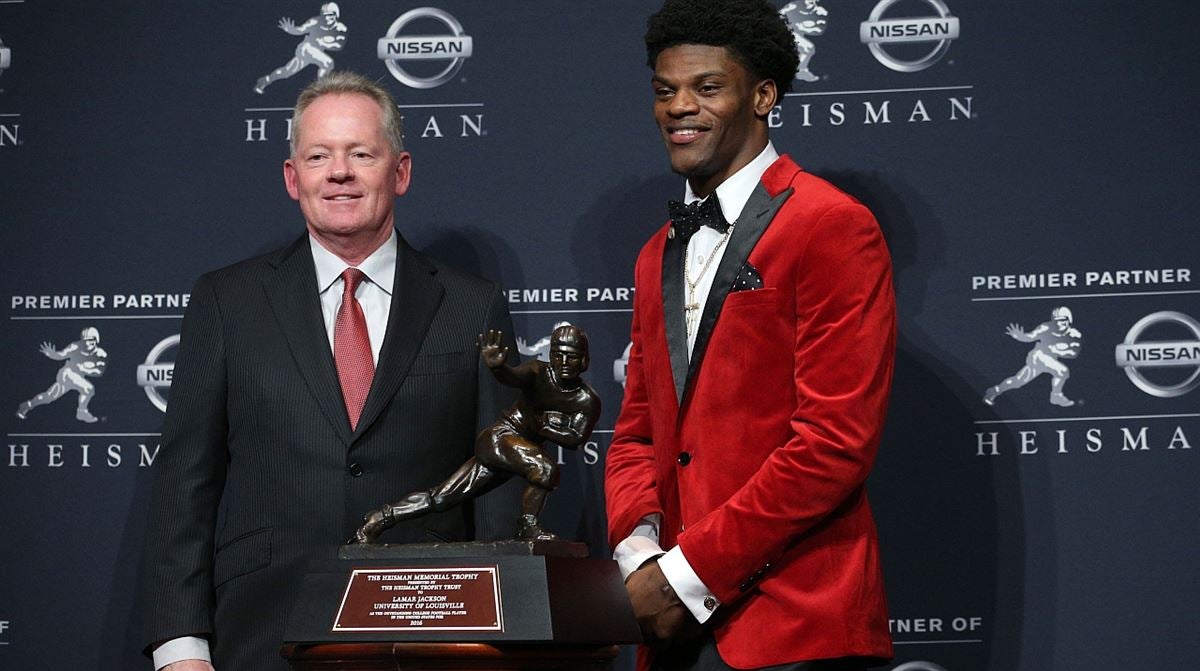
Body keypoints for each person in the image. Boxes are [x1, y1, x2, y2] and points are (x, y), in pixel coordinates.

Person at [135, 71, 520, 671]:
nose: (339, 172)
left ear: (401, 171)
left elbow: (498, 480)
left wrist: (506, 641)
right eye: (318, 156)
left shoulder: (473, 306)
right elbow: (186, 483)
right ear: (294, 178)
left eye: (361, 154)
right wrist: (180, 646)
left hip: (431, 636)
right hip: (262, 632)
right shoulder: (225, 302)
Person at [604, 1, 897, 669]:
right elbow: (637, 432)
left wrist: (684, 575)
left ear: (763, 95)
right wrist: (639, 552)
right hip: (676, 636)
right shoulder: (655, 254)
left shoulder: (830, 225)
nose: (680, 107)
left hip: (799, 625)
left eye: (707, 87)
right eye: (665, 90)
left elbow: (833, 443)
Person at [352, 324, 601, 544]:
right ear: (551, 356)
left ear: (584, 360)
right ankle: (528, 527)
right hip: (500, 438)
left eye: (572, 357)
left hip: (517, 451)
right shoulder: (538, 372)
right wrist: (498, 367)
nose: (565, 363)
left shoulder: (586, 400)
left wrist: (544, 428)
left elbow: (576, 439)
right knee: (545, 469)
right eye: (559, 355)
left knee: (442, 498)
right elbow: (513, 377)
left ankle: (381, 518)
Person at [983, 306, 1082, 407]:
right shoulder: (1046, 327)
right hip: (1038, 356)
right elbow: (1031, 336)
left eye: (1062, 320)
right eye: (1056, 320)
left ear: (1068, 320)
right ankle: (1056, 396)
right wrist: (1021, 336)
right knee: (1062, 371)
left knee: (1018, 381)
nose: (1058, 323)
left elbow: (1073, 353)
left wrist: (1057, 351)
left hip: (1050, 359)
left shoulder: (1074, 335)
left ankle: (995, 390)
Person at [15, 327, 107, 423]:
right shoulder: (75, 346)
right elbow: (62, 354)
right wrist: (53, 354)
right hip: (67, 374)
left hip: (78, 377)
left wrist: (85, 369)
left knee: (48, 397)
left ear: (96, 340)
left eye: (91, 340)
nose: (87, 343)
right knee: (88, 389)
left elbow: (99, 372)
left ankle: (27, 405)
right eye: (85, 340)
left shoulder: (101, 354)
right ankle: (82, 412)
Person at [253, 3, 347, 95]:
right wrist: (291, 30)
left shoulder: (341, 29)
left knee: (287, 71)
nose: (327, 18)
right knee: (328, 63)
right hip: (306, 48)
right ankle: (321, 90)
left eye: (330, 15)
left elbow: (339, 46)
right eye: (324, 15)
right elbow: (300, 30)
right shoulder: (315, 21)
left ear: (336, 15)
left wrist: (325, 43)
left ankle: (265, 80)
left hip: (316, 51)